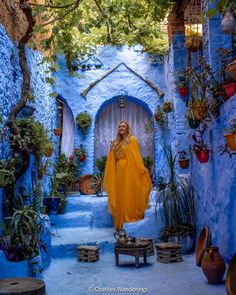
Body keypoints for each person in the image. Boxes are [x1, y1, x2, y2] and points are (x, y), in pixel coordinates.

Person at [103, 120, 152, 232]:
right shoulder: (116, 142)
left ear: (127, 128)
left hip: (130, 171)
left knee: (129, 192)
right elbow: (114, 157)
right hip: (120, 171)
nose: (121, 128)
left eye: (123, 126)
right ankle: (121, 221)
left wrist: (142, 169)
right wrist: (112, 147)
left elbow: (136, 157)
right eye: (119, 126)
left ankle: (129, 216)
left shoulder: (132, 140)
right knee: (121, 195)